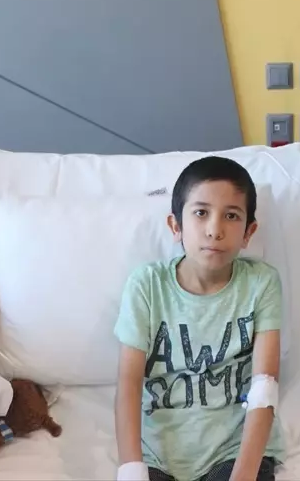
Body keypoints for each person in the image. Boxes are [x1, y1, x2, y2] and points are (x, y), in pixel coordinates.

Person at [113, 157, 284, 481]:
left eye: (231, 216)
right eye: (201, 213)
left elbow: (265, 386)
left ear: (248, 232)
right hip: (157, 455)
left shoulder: (261, 284)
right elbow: (128, 382)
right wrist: (131, 470)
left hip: (234, 450)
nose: (215, 230)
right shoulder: (147, 286)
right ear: (176, 226)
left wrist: (243, 476)